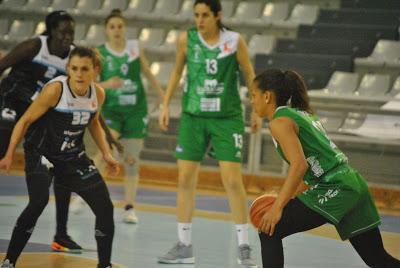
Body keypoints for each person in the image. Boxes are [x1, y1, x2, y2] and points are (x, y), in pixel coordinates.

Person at [250, 68, 400, 268]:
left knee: (268, 229)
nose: (252, 101)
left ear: (267, 96)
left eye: (254, 95)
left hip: (336, 186)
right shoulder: (301, 114)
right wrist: (286, 197)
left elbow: (299, 165)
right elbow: (312, 168)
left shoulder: (279, 122)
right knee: (379, 259)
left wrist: (277, 208)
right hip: (352, 183)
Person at [157, 0, 260, 266]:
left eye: (205, 15)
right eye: (196, 15)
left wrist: (258, 111)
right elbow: (178, 71)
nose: (200, 20)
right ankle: (184, 245)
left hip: (227, 118)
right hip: (193, 116)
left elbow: (250, 74)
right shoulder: (185, 40)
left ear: (217, 16)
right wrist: (166, 103)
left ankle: (244, 247)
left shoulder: (235, 41)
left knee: (232, 181)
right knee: (184, 180)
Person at [0, 46, 118, 268]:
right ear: (68, 69)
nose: (79, 74)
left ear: (95, 69)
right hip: (41, 152)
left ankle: (105, 265)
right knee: (39, 201)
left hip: (72, 156)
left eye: (85, 69)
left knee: (105, 208)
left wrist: (107, 154)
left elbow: (93, 122)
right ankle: (9, 261)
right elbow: (24, 120)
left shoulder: (97, 93)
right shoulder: (55, 90)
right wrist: (8, 153)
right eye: (74, 68)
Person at [69, 9, 165, 224]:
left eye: (120, 26)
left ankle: (129, 208)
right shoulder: (100, 52)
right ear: (106, 30)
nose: (116, 30)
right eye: (112, 27)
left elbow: (148, 72)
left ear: (124, 28)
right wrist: (106, 84)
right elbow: (88, 83)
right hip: (112, 111)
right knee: (106, 152)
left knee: (131, 160)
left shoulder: (134, 48)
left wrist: (161, 95)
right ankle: (82, 194)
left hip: (135, 111)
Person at [0, 10, 83, 253]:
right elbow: (2, 65)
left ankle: (61, 234)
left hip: (39, 112)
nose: (68, 36)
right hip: (11, 102)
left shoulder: (73, 57)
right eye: (63, 31)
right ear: (51, 31)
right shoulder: (35, 46)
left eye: (71, 32)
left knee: (62, 166)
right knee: (3, 146)